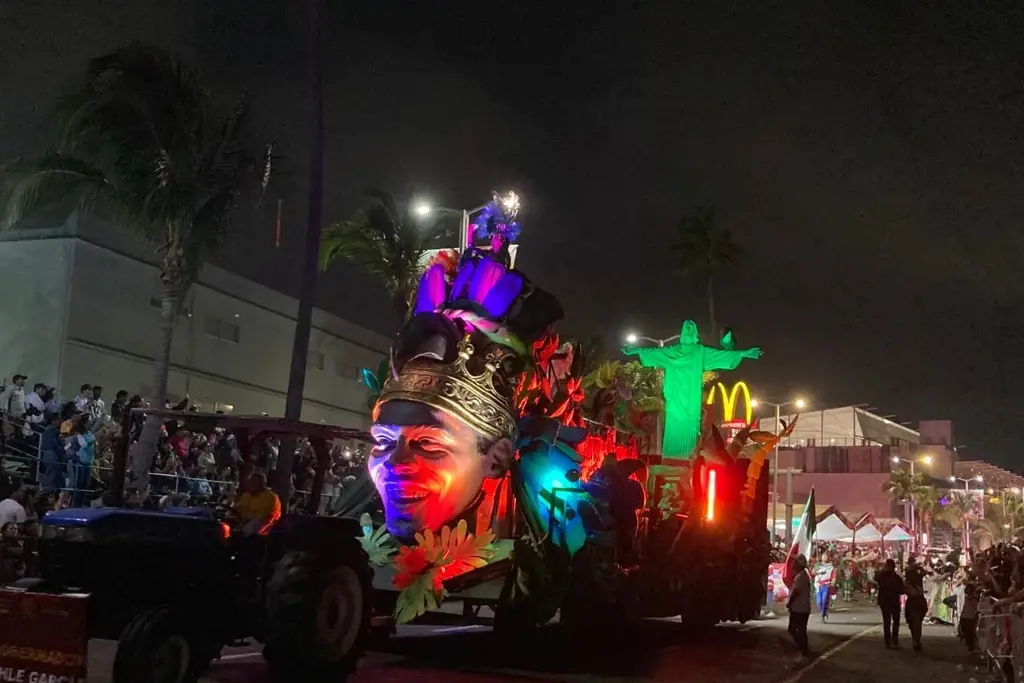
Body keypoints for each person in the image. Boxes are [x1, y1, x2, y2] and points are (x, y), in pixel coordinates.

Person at [234, 471, 281, 536]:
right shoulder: (246, 495)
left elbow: (263, 518)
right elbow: (238, 509)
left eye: (254, 482)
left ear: (262, 484)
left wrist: (245, 524)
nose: (250, 484)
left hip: (263, 530)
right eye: (250, 482)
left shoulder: (270, 497)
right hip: (244, 524)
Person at [875, 558, 905, 648]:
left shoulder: (881, 576)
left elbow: (876, 578)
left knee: (886, 621)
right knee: (896, 621)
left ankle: (887, 641)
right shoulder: (897, 578)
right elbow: (902, 591)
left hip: (884, 602)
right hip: (894, 602)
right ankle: (895, 641)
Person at [787, 554, 813, 657]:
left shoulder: (801, 576)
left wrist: (790, 603)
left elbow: (796, 592)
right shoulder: (802, 575)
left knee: (795, 629)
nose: (792, 564)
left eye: (795, 562)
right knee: (800, 630)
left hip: (799, 608)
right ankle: (803, 648)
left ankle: (803, 648)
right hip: (802, 608)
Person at [904, 556, 930, 651]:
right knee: (916, 623)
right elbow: (924, 571)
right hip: (918, 600)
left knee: (913, 623)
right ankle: (916, 641)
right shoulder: (917, 579)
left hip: (912, 601)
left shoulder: (908, 581)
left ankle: (915, 641)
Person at [813, 553, 835, 622]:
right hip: (818, 585)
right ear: (821, 557)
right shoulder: (817, 565)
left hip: (826, 585)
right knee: (819, 602)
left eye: (826, 556)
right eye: (823, 556)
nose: (824, 557)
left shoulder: (830, 566)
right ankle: (824, 612)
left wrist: (832, 583)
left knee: (824, 600)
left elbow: (833, 576)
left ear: (828, 558)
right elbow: (813, 572)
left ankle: (823, 615)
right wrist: (819, 572)